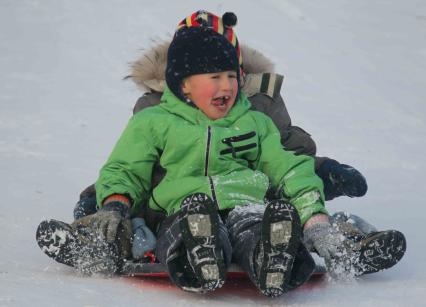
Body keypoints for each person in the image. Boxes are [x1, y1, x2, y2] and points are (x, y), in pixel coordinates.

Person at [36, 12, 406, 297]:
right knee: (178, 222)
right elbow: (129, 166)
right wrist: (110, 201)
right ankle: (182, 249)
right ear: (180, 80)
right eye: (214, 76)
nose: (226, 85)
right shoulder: (154, 115)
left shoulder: (256, 113)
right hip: (181, 204)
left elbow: (288, 160)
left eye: (231, 75)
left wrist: (319, 195)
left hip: (250, 201)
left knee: (263, 222)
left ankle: (278, 253)